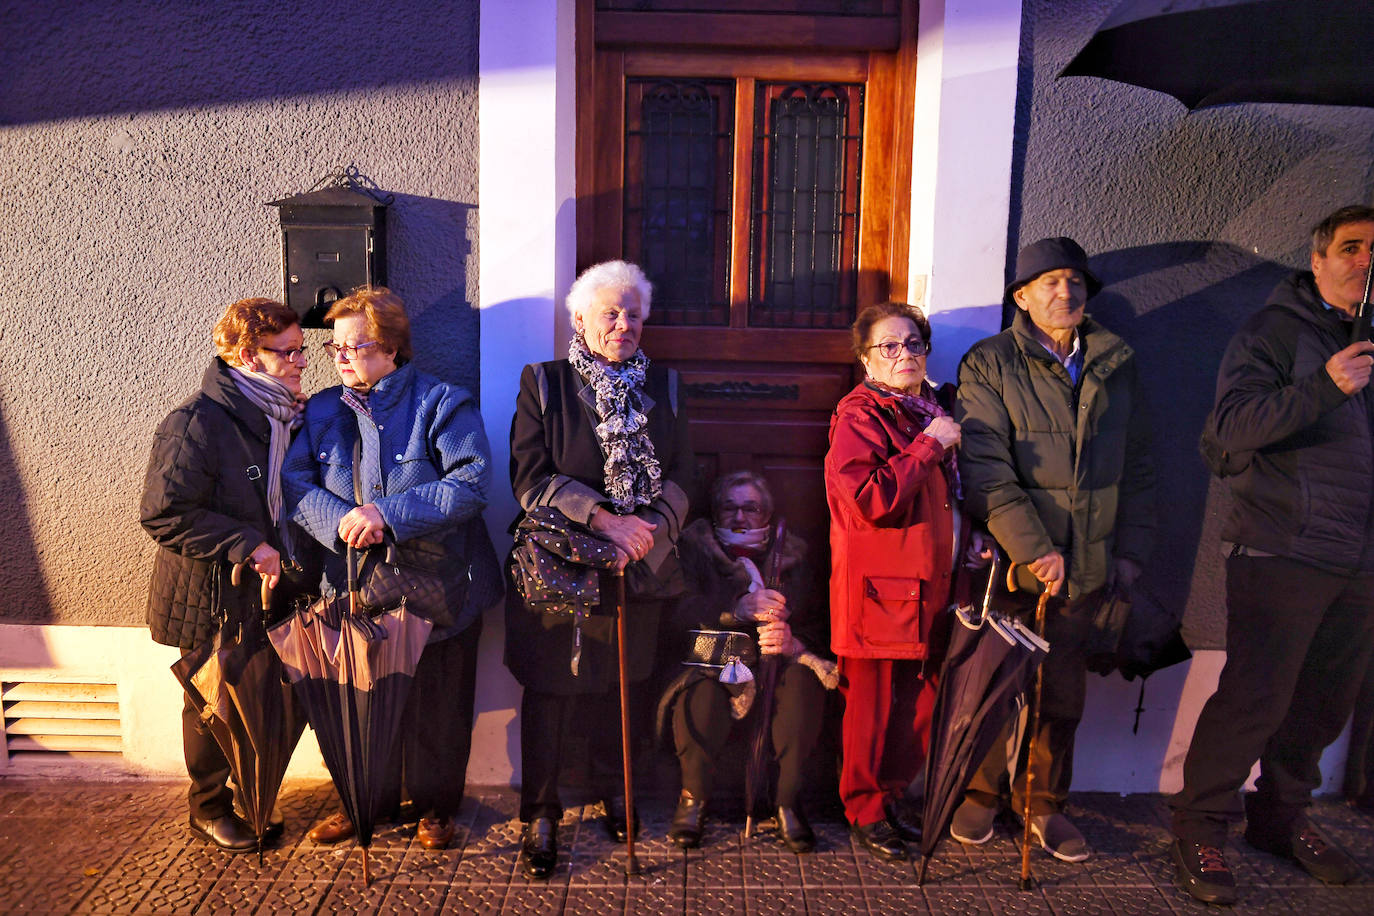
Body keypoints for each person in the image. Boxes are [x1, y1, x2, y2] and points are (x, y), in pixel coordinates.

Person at [1168, 206, 1374, 905]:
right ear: (1317, 261)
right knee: (1256, 698)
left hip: (1362, 556)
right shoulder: (1274, 333)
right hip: (1283, 547)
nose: (1365, 260)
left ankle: (1281, 821)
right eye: (1351, 247)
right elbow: (1225, 436)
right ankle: (1200, 828)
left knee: (1324, 702)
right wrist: (1326, 387)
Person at [952, 237, 1154, 864]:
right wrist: (1034, 550)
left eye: (1074, 283)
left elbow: (1141, 463)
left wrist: (1131, 551)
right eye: (1049, 283)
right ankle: (982, 791)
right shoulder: (990, 363)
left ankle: (1043, 803)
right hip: (1016, 563)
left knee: (1062, 694)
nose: (1064, 293)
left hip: (1090, 563)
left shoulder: (1115, 362)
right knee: (1000, 683)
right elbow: (986, 466)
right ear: (1021, 296)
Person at [283, 286, 501, 852]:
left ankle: (435, 808)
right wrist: (343, 520)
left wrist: (387, 514)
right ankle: (365, 804)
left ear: (393, 347)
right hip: (352, 585)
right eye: (336, 348)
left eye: (356, 346)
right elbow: (295, 481)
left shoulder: (442, 402)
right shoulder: (324, 410)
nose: (344, 357)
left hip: (437, 584)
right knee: (362, 699)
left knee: (437, 701)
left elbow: (472, 482)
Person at [506, 260, 694, 879]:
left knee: (627, 684)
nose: (624, 324)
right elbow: (531, 480)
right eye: (610, 313)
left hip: (640, 564)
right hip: (561, 566)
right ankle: (542, 811)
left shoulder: (664, 386)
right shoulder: (546, 384)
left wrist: (648, 533)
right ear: (579, 319)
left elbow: (686, 476)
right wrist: (604, 523)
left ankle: (619, 793)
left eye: (634, 314)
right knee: (551, 689)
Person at [141, 297, 309, 852]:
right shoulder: (196, 422)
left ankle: (248, 797)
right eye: (285, 352)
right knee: (210, 701)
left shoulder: (279, 415)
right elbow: (165, 513)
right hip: (210, 594)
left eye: (301, 350)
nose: (300, 362)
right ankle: (207, 808)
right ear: (244, 355)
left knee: (253, 698)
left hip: (260, 593)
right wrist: (247, 544)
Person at [825, 301, 972, 862]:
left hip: (932, 582)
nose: (905, 353)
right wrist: (931, 444)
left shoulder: (930, 408)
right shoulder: (860, 415)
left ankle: (890, 799)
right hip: (879, 589)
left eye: (913, 343)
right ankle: (863, 809)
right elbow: (869, 499)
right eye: (889, 345)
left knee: (921, 701)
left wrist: (971, 531)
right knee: (871, 707)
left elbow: (948, 494)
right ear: (866, 360)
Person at [661, 470, 834, 853]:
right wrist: (734, 610)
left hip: (778, 664)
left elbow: (820, 620)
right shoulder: (694, 550)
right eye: (730, 507)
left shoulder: (794, 555)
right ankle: (693, 799)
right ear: (717, 512)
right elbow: (678, 614)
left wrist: (793, 643)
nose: (740, 517)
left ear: (766, 514)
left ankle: (787, 802)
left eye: (750, 508)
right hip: (713, 658)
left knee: (803, 690)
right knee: (700, 697)